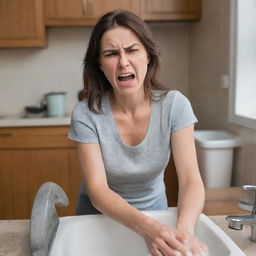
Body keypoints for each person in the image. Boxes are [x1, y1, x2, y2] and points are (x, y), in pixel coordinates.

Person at [68, 10, 208, 256]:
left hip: (156, 213)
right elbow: (98, 189)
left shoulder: (175, 105)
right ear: (99, 65)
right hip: (97, 220)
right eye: (111, 54)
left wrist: (185, 231)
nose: (123, 62)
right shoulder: (85, 114)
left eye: (132, 50)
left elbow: (190, 180)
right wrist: (146, 229)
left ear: (148, 56)